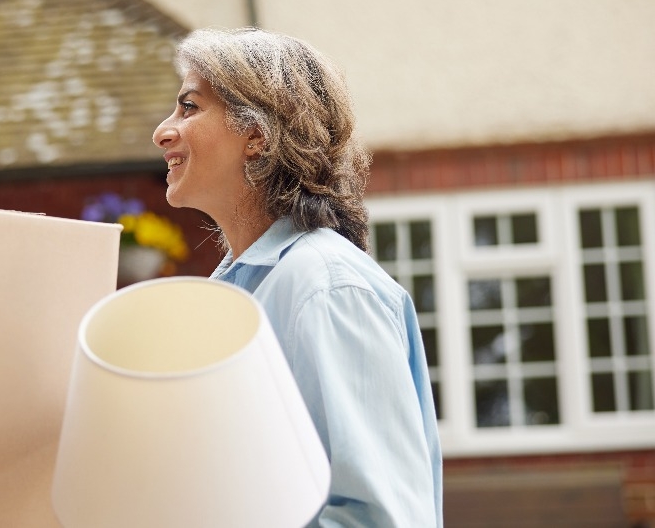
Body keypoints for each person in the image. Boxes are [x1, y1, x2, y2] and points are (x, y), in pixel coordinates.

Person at [153, 27, 442, 526]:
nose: (162, 131)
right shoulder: (242, 291)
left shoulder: (325, 286)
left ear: (257, 136)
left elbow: (379, 519)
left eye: (190, 107)